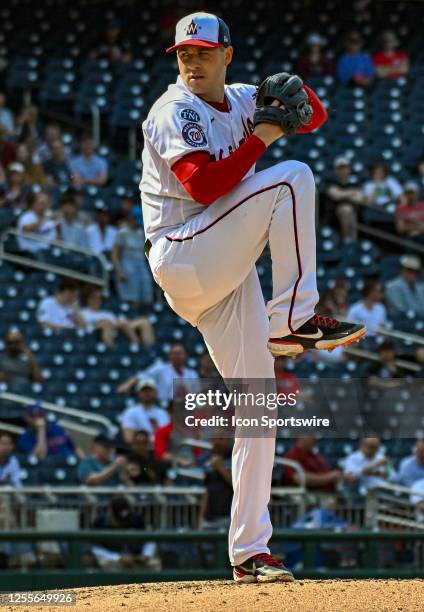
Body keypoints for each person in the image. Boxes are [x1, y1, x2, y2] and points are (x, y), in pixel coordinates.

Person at [140, 11, 366, 583]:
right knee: (291, 176)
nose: (191, 62)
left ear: (226, 56)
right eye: (183, 54)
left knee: (259, 408)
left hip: (222, 269)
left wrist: (295, 92)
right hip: (184, 253)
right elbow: (204, 185)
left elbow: (315, 115)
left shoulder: (241, 97)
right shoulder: (174, 109)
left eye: (202, 52)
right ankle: (292, 317)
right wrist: (266, 134)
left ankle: (249, 553)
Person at [117, 342, 199, 402]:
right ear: (169, 355)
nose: (176, 356)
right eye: (174, 353)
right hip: (163, 405)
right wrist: (127, 385)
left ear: (185, 355)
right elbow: (142, 375)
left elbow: (198, 394)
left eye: (179, 353)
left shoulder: (192, 374)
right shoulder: (160, 368)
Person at [80, 286, 155, 347]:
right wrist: (100, 323)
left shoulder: (107, 313)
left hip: (116, 331)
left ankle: (145, 350)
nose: (97, 300)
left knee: (144, 322)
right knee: (107, 324)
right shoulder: (82, 313)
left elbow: (116, 323)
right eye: (94, 298)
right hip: (95, 335)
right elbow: (84, 327)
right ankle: (110, 351)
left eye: (99, 298)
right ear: (87, 299)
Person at [111, 209, 153, 307]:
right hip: (127, 269)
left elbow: (146, 252)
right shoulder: (122, 233)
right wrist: (120, 272)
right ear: (131, 219)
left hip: (141, 268)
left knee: (147, 298)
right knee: (132, 301)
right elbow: (115, 255)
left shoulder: (141, 233)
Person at [325, 156, 364, 241]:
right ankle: (347, 239)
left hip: (354, 216)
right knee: (346, 209)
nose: (343, 171)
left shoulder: (355, 184)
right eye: (340, 168)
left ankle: (352, 241)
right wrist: (352, 192)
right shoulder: (331, 182)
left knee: (349, 210)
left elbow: (360, 199)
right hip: (334, 218)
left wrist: (343, 194)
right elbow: (335, 195)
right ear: (335, 170)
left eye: (345, 168)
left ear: (349, 169)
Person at [119, 378, 170, 443]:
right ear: (138, 393)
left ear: (156, 392)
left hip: (160, 449)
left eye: (150, 390)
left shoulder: (163, 414)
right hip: (140, 449)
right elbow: (128, 438)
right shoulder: (130, 412)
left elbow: (168, 436)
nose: (147, 393)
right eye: (144, 391)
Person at [198, 438, 233, 528]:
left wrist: (219, 467)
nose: (217, 442)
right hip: (209, 520)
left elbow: (238, 486)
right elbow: (207, 491)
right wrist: (201, 519)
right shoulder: (208, 458)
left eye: (221, 439)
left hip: (230, 519)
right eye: (215, 439)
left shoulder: (236, 457)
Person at [17, 190, 58, 254]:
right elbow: (27, 230)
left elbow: (56, 235)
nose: (43, 206)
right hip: (30, 252)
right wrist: (45, 218)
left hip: (49, 251)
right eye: (40, 203)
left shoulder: (49, 214)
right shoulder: (27, 217)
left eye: (45, 203)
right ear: (33, 203)